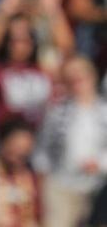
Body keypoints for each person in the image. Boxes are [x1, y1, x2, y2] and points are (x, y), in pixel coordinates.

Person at [33, 55, 107, 227]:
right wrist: (41, 182)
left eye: (80, 73)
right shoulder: (56, 112)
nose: (75, 78)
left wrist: (101, 164)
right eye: (70, 76)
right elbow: (43, 151)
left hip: (99, 187)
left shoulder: (104, 110)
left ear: (92, 75)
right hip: (61, 186)